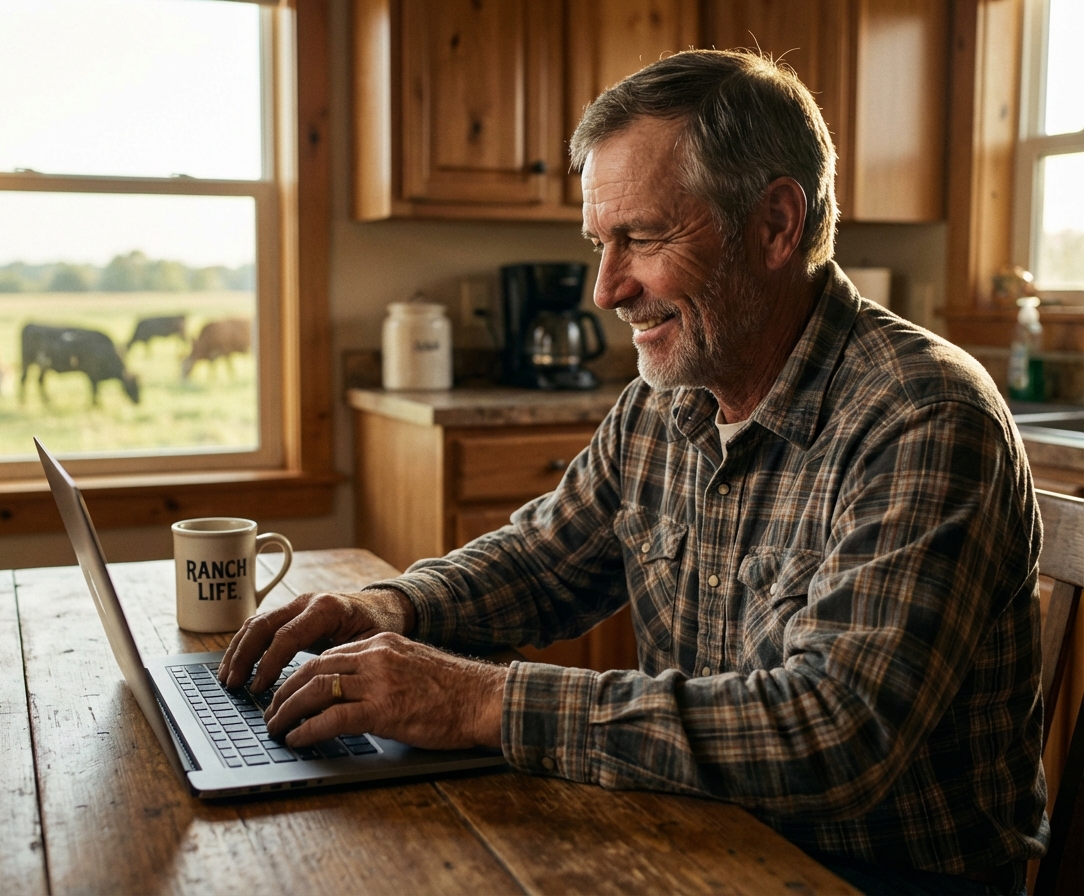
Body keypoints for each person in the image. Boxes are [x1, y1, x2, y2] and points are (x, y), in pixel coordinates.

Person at [219, 50, 1047, 894]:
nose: (606, 289)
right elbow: (543, 561)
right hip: (701, 833)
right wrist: (389, 605)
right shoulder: (667, 401)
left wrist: (476, 702)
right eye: (599, 244)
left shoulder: (922, 414)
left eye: (642, 238)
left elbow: (834, 734)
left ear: (774, 225)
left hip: (872, 874)